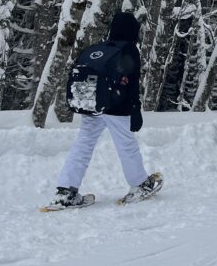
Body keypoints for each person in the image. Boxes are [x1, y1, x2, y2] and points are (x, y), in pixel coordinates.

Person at [45, 11, 162, 209]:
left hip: (92, 105)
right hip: (117, 106)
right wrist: (135, 111)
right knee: (126, 145)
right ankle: (140, 184)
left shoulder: (98, 48)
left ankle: (66, 190)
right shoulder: (129, 49)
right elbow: (132, 84)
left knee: (83, 144)